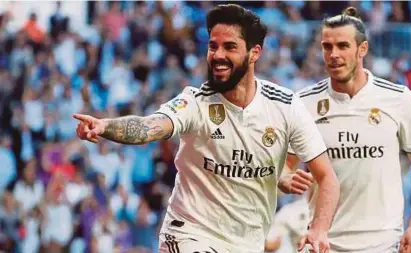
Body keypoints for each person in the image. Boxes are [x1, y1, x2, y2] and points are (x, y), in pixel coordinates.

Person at [73, 4, 340, 253]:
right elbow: (149, 127)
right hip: (189, 235)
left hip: (246, 243)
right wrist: (105, 126)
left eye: (230, 47)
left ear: (254, 53)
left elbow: (327, 177)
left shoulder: (285, 106)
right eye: (213, 46)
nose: (218, 55)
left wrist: (318, 229)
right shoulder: (195, 102)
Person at [280, 7, 411, 253]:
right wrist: (285, 178)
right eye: (327, 47)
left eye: (342, 46)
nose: (333, 54)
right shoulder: (303, 103)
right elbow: (285, 166)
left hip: (383, 243)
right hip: (323, 242)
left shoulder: (397, 98)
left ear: (362, 49)